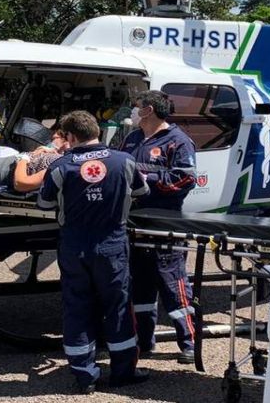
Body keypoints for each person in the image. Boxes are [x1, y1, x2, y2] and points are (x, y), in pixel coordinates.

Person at [38, 111, 151, 394]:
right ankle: (123, 372)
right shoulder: (124, 161)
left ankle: (84, 375)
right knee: (118, 307)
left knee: (77, 307)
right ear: (97, 131)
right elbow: (141, 191)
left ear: (71, 137)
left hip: (74, 246)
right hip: (112, 243)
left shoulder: (61, 166)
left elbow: (43, 202)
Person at [119, 90, 198, 364]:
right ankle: (144, 340)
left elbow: (185, 180)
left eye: (136, 105)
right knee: (139, 287)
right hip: (135, 223)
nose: (133, 110)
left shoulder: (178, 141)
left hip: (165, 225)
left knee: (173, 285)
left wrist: (145, 178)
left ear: (148, 109)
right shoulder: (133, 138)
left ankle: (189, 343)